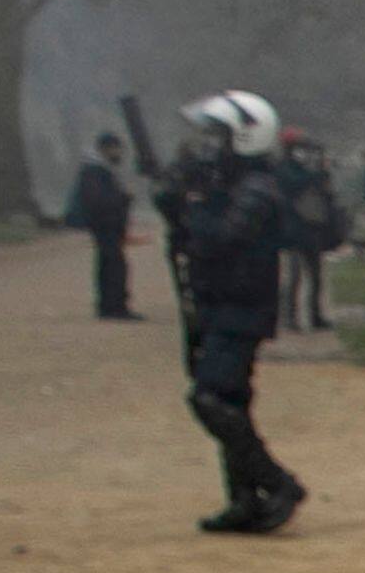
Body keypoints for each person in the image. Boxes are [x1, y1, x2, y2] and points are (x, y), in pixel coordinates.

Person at [157, 90, 306, 533]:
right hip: (216, 302)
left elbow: (219, 239)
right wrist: (175, 196)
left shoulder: (258, 189)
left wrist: (195, 203)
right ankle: (243, 499)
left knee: (211, 398)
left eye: (219, 136)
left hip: (241, 307)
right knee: (232, 401)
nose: (210, 146)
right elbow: (187, 232)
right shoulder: (227, 182)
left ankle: (277, 483)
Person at [66, 131, 139, 319]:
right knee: (113, 266)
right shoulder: (95, 171)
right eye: (116, 149)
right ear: (107, 149)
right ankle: (114, 307)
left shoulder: (98, 170)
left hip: (107, 225)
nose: (119, 153)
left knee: (110, 264)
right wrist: (123, 198)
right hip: (105, 225)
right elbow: (98, 200)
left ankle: (110, 305)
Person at [277, 132, 344, 331]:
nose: (303, 152)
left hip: (311, 229)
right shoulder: (283, 169)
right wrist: (318, 174)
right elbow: (295, 184)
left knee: (315, 275)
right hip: (293, 230)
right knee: (294, 276)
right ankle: (290, 318)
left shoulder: (306, 169)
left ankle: (315, 316)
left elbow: (325, 193)